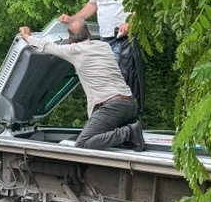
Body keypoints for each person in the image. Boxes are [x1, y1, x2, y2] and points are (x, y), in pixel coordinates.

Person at [20, 18, 144, 151]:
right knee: (103, 138)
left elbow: (46, 46)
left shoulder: (73, 50)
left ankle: (129, 132)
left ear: (70, 39)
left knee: (83, 143)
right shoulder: (104, 46)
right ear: (89, 34)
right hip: (131, 104)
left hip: (112, 108)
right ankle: (129, 133)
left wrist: (27, 36)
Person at [60, 0, 145, 110]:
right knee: (106, 83)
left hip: (126, 37)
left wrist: (131, 23)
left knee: (127, 82)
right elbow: (93, 4)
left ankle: (129, 122)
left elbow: (142, 2)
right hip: (106, 39)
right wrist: (73, 19)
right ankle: (111, 121)